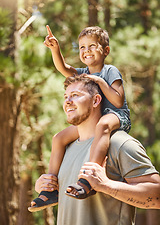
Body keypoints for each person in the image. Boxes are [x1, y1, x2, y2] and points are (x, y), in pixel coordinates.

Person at [31, 74, 160, 225]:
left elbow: (157, 196)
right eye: (65, 96)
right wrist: (46, 185)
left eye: (75, 95)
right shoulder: (66, 148)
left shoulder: (120, 143)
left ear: (96, 100)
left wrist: (107, 186)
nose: (68, 101)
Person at [28, 25, 131, 211]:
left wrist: (100, 81)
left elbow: (118, 101)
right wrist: (55, 49)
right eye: (82, 47)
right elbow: (63, 68)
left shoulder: (110, 71)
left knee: (102, 125)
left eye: (92, 46)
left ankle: (88, 179)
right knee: (59, 138)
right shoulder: (84, 73)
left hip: (116, 116)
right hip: (93, 121)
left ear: (105, 50)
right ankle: (50, 189)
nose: (86, 51)